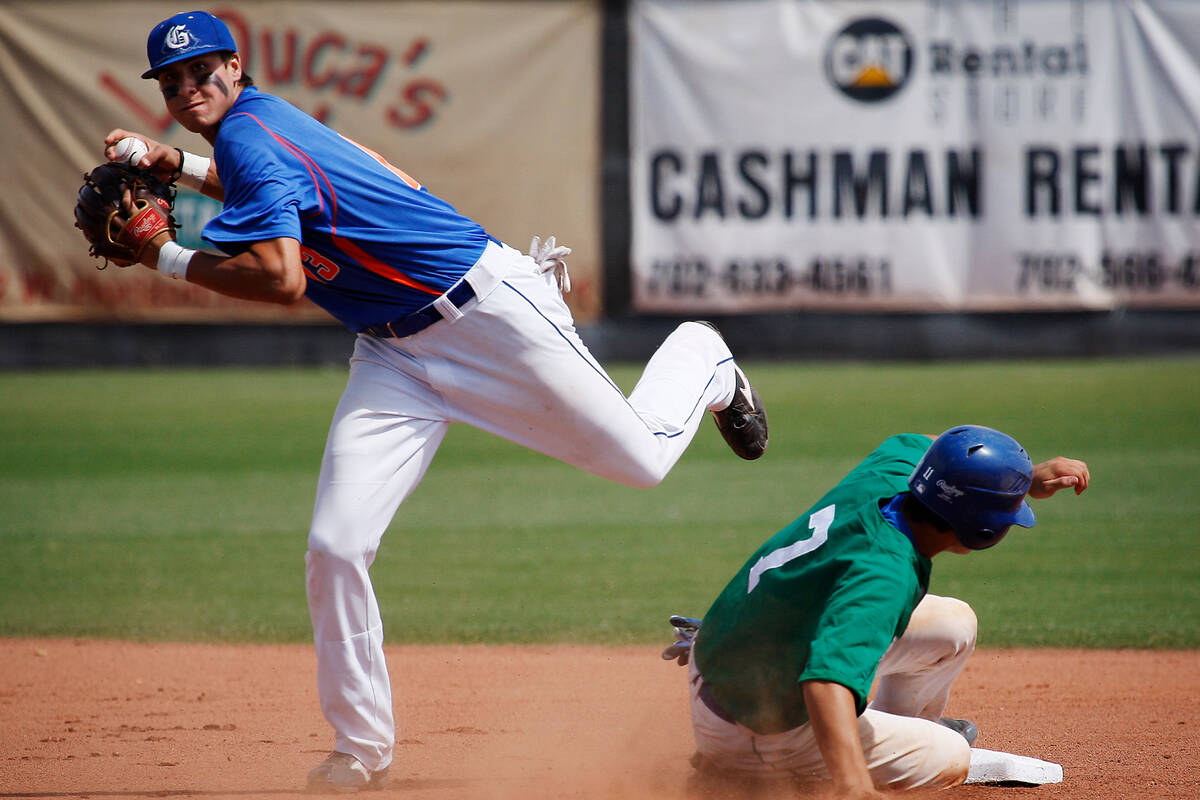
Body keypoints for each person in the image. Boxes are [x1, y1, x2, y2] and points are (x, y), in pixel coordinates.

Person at [105, 10, 769, 793]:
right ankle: (360, 748)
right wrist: (173, 162)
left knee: (644, 460)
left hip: (488, 320)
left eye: (201, 71)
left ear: (235, 66)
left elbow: (283, 281)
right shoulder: (262, 126)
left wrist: (165, 255)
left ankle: (704, 354)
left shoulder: (251, 135)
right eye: (172, 81)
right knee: (336, 545)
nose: (188, 88)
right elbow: (278, 183)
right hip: (391, 352)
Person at [664, 425, 1088, 799]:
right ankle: (738, 774)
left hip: (735, 645)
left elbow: (937, 446)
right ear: (982, 530)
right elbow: (825, 682)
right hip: (755, 724)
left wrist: (1017, 481)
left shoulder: (895, 470)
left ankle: (890, 731)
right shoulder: (883, 575)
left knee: (954, 624)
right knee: (952, 755)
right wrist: (851, 787)